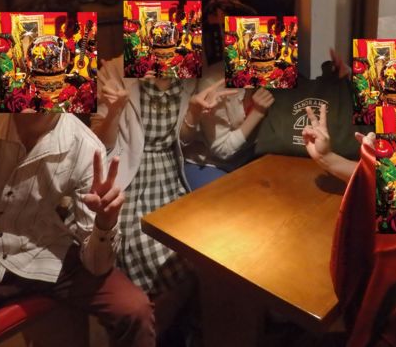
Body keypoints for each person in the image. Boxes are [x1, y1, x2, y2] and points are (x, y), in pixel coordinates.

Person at [0, 95, 154, 347]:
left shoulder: (84, 145)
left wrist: (105, 222)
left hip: (41, 252)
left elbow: (98, 267)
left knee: (134, 308)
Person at [92, 55, 236, 334]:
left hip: (170, 173)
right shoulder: (115, 70)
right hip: (131, 177)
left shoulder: (187, 70)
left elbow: (181, 141)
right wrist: (114, 111)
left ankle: (162, 328)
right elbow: (101, 144)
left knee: (198, 245)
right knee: (150, 249)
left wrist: (193, 112)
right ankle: (153, 329)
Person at [183, 61, 275, 189]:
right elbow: (221, 150)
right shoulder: (215, 82)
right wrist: (257, 112)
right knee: (232, 197)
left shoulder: (272, 71)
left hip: (247, 157)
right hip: (209, 163)